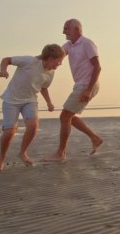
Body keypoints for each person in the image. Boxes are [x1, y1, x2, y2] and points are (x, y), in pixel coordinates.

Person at [0, 44, 65, 172]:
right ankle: (1, 158)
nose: (59, 64)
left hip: (30, 100)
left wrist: (49, 102)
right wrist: (3, 70)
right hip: (11, 100)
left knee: (33, 126)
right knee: (9, 132)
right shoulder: (29, 61)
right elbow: (6, 60)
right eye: (58, 60)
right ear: (49, 58)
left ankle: (22, 152)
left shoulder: (51, 73)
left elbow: (43, 87)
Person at [43, 19, 103, 162]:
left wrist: (88, 90)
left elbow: (97, 67)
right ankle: (95, 138)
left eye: (66, 29)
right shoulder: (70, 45)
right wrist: (36, 61)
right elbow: (57, 54)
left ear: (76, 29)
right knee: (69, 117)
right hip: (80, 85)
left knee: (64, 117)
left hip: (87, 85)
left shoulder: (87, 43)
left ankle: (61, 153)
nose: (63, 31)